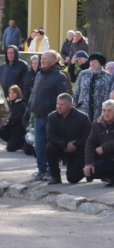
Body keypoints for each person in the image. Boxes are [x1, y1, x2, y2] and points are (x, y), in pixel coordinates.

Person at [29, 51, 70, 182]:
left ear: (53, 61)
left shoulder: (59, 77)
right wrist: (30, 107)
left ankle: (52, 172)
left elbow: (63, 96)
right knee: (39, 145)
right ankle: (42, 170)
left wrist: (60, 114)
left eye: (45, 59)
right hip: (38, 115)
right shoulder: (39, 74)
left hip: (51, 117)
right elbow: (34, 93)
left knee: (50, 146)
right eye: (42, 58)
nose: (42, 61)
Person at [45, 93, 91, 185]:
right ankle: (55, 176)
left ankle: (88, 173)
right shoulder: (52, 117)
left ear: (70, 105)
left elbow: (88, 136)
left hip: (78, 150)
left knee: (72, 179)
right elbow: (50, 136)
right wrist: (64, 144)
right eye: (57, 104)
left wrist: (76, 144)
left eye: (62, 105)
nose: (59, 107)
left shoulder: (82, 118)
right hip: (61, 147)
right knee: (49, 148)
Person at [84, 99, 114, 186]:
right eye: (104, 110)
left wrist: (104, 147)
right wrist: (89, 163)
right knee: (92, 172)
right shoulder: (96, 123)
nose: (106, 113)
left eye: (109, 110)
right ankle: (112, 178)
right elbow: (90, 143)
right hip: (105, 157)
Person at [1, 85, 28, 153]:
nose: (11, 95)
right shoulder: (7, 103)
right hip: (9, 127)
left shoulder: (22, 104)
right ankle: (12, 140)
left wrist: (8, 120)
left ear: (18, 94)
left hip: (18, 130)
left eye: (14, 93)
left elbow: (19, 118)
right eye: (10, 93)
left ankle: (20, 142)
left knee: (10, 148)